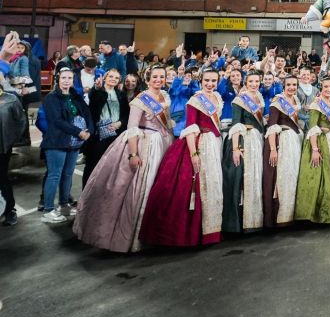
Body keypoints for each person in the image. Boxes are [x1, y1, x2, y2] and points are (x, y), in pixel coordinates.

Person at [74, 66, 174, 252]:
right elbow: (132, 129)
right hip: (145, 146)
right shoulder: (140, 100)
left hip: (162, 146)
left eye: (162, 77)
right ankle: (131, 236)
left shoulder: (164, 97)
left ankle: (152, 232)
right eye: (155, 77)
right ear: (148, 78)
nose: (159, 79)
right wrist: (133, 154)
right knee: (137, 189)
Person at [139, 69, 224, 247]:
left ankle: (211, 231)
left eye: (213, 81)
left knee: (213, 185)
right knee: (198, 187)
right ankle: (192, 233)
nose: (210, 84)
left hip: (214, 144)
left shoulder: (217, 97)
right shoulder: (195, 100)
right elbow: (191, 127)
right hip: (199, 145)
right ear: (200, 81)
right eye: (206, 80)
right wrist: (194, 154)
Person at [39, 68, 93, 223]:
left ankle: (64, 204)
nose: (66, 81)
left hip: (74, 143)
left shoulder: (75, 96)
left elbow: (87, 113)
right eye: (63, 78)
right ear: (58, 79)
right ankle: (48, 210)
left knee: (68, 174)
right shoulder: (51, 98)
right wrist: (79, 132)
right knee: (54, 175)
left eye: (69, 78)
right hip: (56, 142)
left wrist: (89, 129)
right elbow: (56, 121)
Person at [221, 71, 265, 234]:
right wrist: (235, 149)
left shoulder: (259, 98)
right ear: (245, 83)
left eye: (256, 81)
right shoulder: (240, 100)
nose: (254, 84)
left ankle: (254, 218)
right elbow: (235, 125)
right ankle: (240, 220)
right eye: (251, 81)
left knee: (255, 177)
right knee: (242, 178)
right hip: (243, 140)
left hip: (257, 140)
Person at [295, 77, 330, 224]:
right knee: (319, 177)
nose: (328, 89)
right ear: (321, 87)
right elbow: (313, 127)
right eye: (326, 87)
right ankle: (318, 214)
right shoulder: (316, 104)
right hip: (319, 142)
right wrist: (315, 149)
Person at [264, 75, 304, 228]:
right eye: (289, 85)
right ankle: (283, 216)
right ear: (283, 85)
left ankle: (293, 213)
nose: (292, 87)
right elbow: (272, 126)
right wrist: (273, 149)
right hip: (284, 142)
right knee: (285, 177)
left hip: (295, 141)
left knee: (294, 176)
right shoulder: (277, 101)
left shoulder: (295, 100)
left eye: (294, 84)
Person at [84, 69, 129, 187]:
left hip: (116, 133)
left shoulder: (121, 94)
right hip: (99, 135)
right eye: (111, 76)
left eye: (116, 78)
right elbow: (93, 101)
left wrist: (120, 123)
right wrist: (97, 88)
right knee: (92, 165)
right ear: (105, 78)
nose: (113, 79)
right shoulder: (98, 91)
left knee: (110, 165)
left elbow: (126, 114)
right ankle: (86, 194)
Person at [0, 70, 27, 226]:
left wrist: (10, 140)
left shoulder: (10, 99)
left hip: (3, 148)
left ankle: (10, 210)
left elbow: (21, 121)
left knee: (2, 179)